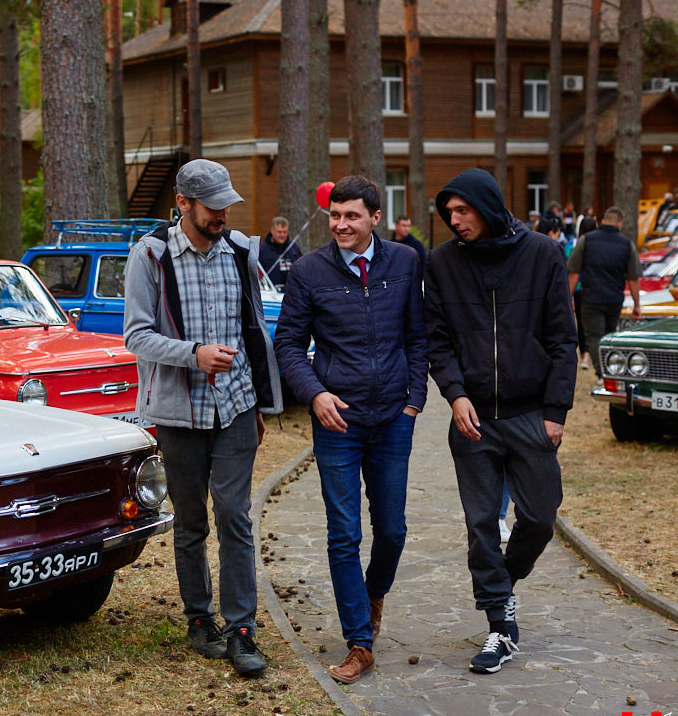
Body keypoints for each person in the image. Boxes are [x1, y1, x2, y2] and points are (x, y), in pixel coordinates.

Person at [123, 159, 283, 678]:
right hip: (179, 412)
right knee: (191, 522)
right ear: (183, 203)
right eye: (212, 207)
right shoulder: (151, 255)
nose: (222, 214)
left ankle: (242, 630)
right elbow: (136, 336)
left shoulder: (240, 251)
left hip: (235, 407)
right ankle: (199, 618)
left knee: (235, 516)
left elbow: (254, 329)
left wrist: (261, 404)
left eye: (226, 205)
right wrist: (194, 354)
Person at [273, 175, 428, 685]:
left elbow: (417, 335)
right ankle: (360, 641)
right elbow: (288, 344)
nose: (340, 225)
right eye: (335, 216)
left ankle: (373, 593)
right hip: (337, 421)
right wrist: (315, 394)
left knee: (392, 530)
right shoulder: (309, 271)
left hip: (393, 419)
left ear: (375, 218)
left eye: (351, 216)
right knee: (344, 533)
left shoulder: (405, 261)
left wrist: (414, 400)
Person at [424, 169, 577, 675]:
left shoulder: (542, 253)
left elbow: (563, 338)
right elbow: (437, 339)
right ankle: (499, 626)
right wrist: (455, 395)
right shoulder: (442, 262)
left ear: (487, 207)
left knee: (540, 517)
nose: (454, 220)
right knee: (481, 522)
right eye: (448, 212)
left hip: (531, 414)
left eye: (462, 210)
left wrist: (555, 412)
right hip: (473, 419)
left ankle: (503, 582)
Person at [567, 206, 642, 376]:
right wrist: (637, 305)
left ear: (601, 221)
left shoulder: (586, 240)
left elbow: (574, 273)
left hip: (591, 298)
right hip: (615, 299)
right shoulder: (627, 245)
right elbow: (633, 279)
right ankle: (611, 371)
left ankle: (602, 374)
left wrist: (568, 297)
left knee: (594, 337)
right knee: (610, 336)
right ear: (620, 223)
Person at [258, 215, 302, 288]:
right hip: (270, 291)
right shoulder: (262, 249)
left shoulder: (293, 248)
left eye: (285, 232)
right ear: (272, 231)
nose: (282, 235)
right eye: (279, 232)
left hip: (292, 290)